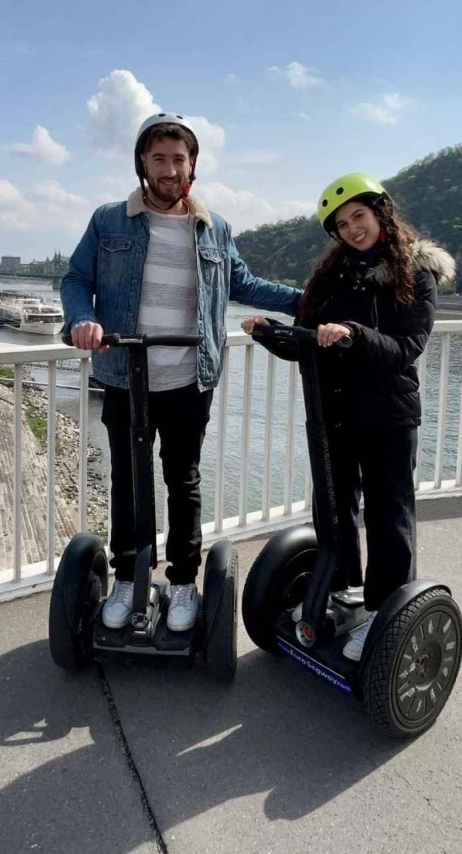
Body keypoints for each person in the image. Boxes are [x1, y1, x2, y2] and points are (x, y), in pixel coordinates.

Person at [61, 111, 301, 633]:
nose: (170, 169)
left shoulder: (214, 228)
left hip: (191, 377)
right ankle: (128, 577)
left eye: (179, 159)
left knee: (183, 481)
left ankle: (186, 581)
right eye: (159, 159)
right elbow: (77, 279)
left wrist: (309, 302)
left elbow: (246, 285)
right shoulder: (109, 220)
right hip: (126, 375)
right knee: (128, 480)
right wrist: (82, 318)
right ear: (143, 163)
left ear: (192, 164)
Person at [242, 173, 454, 662]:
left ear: (381, 212)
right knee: (334, 507)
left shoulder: (414, 274)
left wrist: (354, 335)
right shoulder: (332, 277)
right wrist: (269, 333)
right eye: (341, 224)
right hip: (334, 414)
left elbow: (406, 347)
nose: (352, 228)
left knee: (388, 514)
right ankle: (341, 593)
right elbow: (308, 342)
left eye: (359, 215)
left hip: (388, 416)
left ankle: (384, 612)